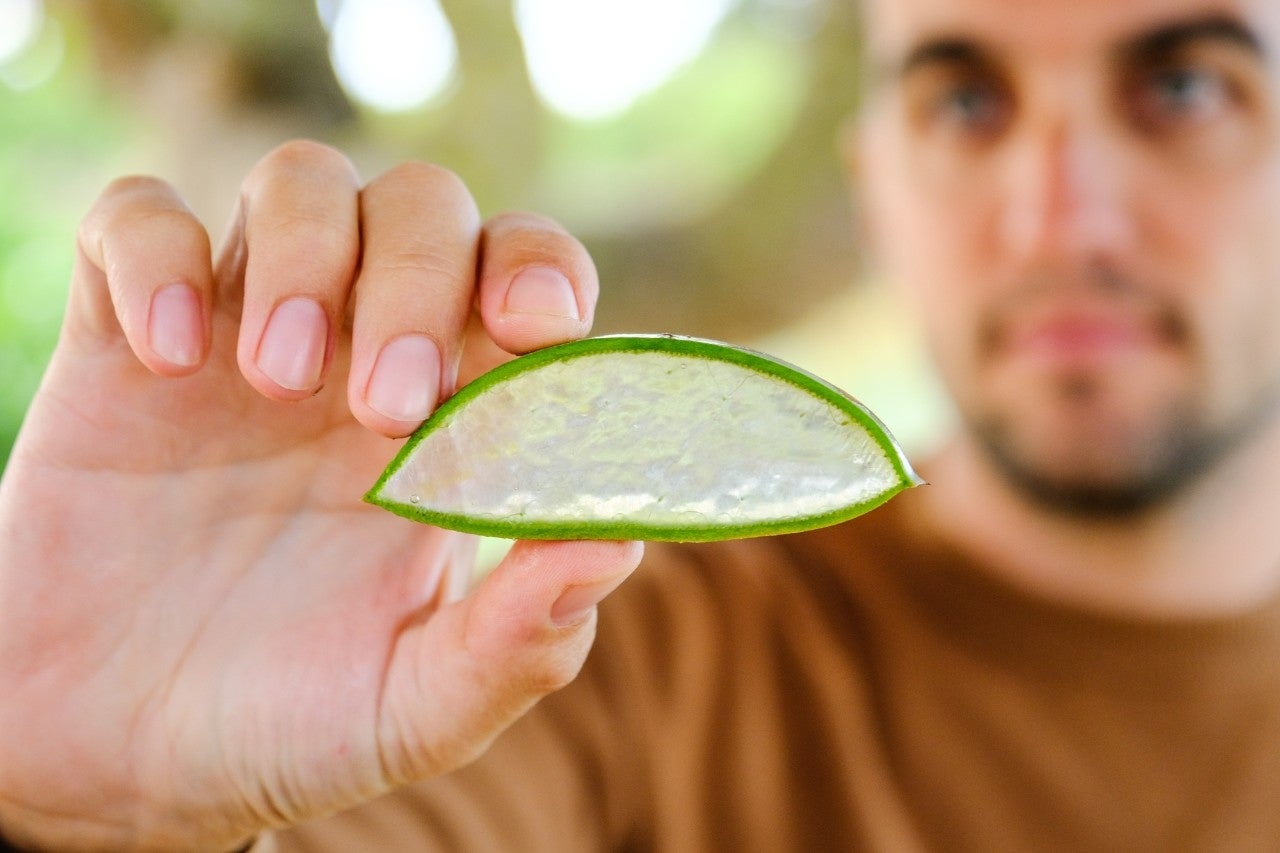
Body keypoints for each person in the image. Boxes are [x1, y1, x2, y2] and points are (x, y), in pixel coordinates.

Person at [4, 0, 1280, 849]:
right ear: (872, 191)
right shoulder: (581, 651)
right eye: (960, 103)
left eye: (1182, 87)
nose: (1059, 215)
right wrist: (75, 811)